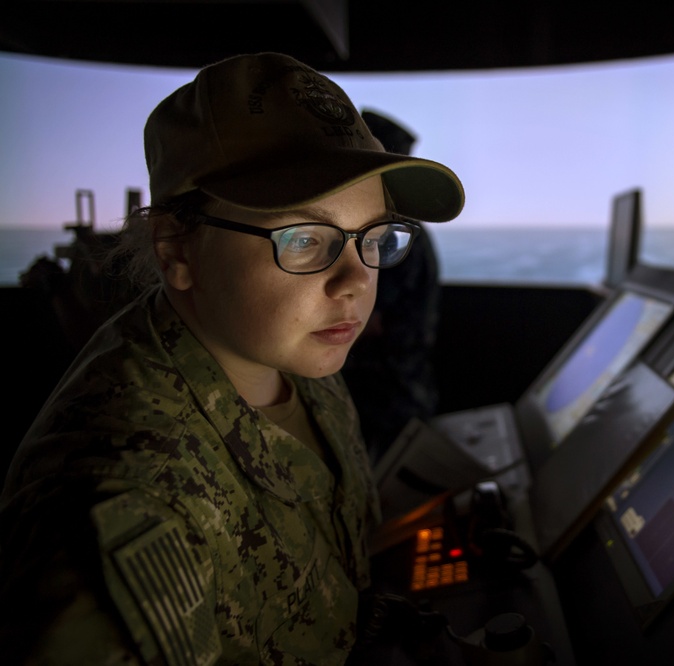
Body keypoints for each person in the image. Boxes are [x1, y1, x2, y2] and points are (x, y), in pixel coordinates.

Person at [0, 52, 464, 664]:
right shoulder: (120, 507)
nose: (356, 280)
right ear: (176, 249)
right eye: (304, 239)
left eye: (373, 238)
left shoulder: (297, 361)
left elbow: (334, 596)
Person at [342, 110, 443, 463]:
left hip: (388, 388)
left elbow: (367, 320)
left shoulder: (392, 234)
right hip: (401, 381)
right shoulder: (396, 229)